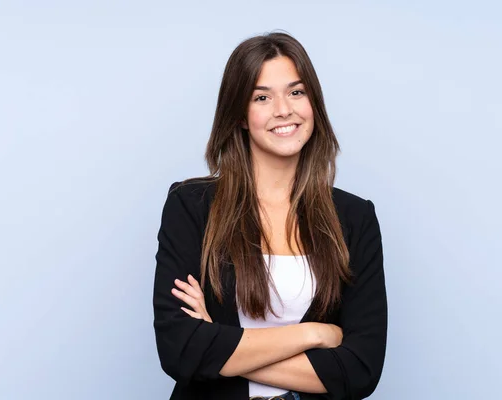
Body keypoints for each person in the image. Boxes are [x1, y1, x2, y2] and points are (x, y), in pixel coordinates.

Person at [153, 32, 387, 400]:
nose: (284, 109)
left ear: (314, 102)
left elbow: (359, 371)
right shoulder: (192, 206)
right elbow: (180, 349)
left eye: (296, 92)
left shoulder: (355, 218)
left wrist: (219, 347)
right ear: (240, 116)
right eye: (262, 97)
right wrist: (314, 334)